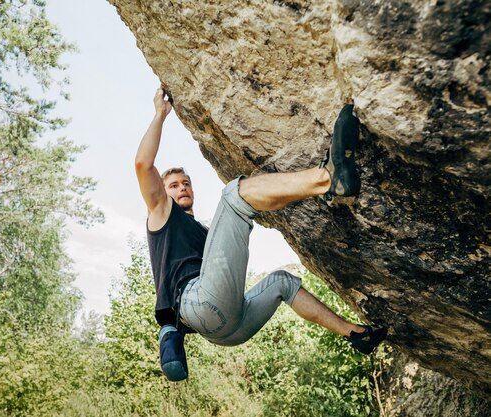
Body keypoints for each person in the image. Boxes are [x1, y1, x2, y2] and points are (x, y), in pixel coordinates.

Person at [134, 87, 387, 382]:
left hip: (229, 328)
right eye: (174, 185)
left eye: (186, 183)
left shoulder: (205, 234)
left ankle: (356, 335)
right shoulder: (161, 214)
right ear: (163, 193)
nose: (182, 188)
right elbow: (143, 164)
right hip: (197, 304)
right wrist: (160, 114)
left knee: (282, 282)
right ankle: (328, 178)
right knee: (232, 196)